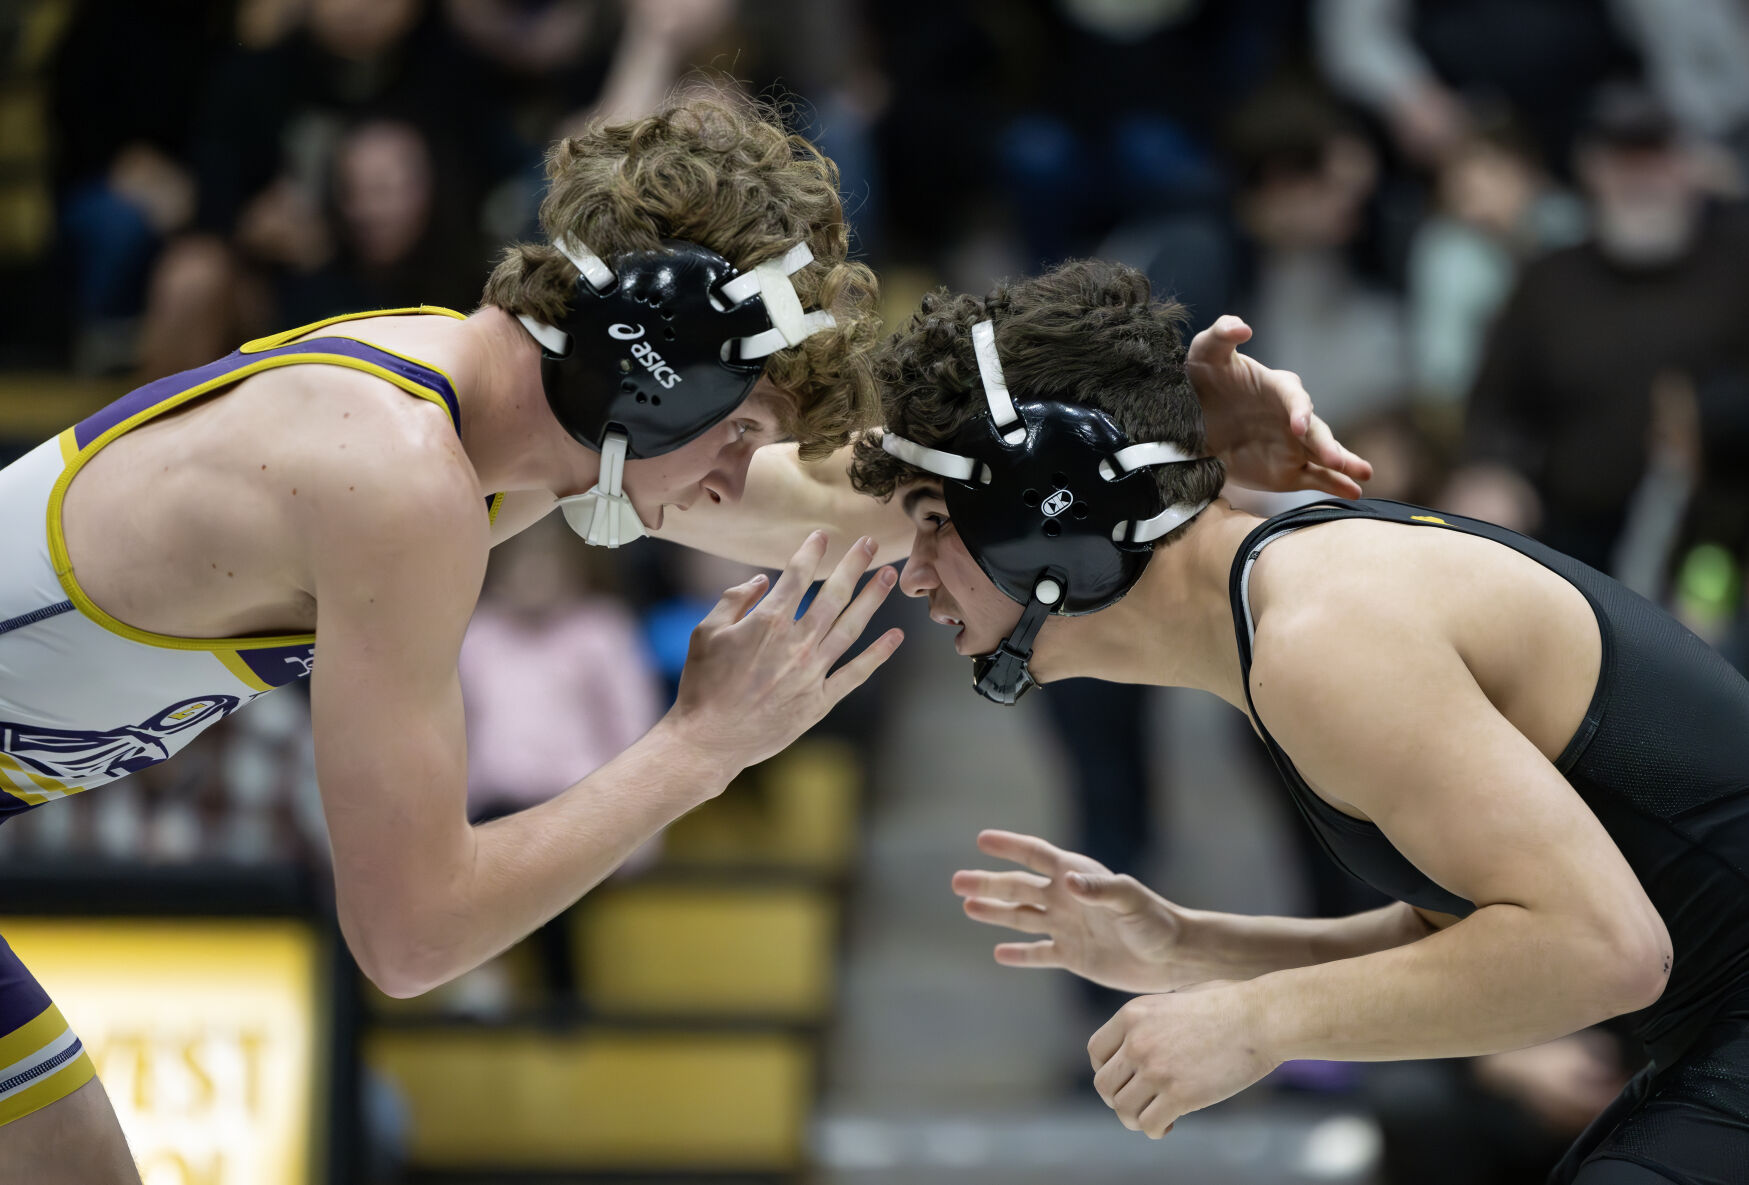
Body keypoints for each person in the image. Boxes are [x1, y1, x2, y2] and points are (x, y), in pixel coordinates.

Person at [0, 89, 1365, 1180]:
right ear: (652, 375)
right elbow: (408, 938)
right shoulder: (396, 481)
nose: (728, 476)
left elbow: (844, 501)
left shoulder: (474, 422)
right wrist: (700, 747)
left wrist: (1171, 462)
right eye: (736, 427)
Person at [855, 258, 1749, 1182]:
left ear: (1054, 510)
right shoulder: (1281, 616)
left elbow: (1602, 949)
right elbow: (1486, 932)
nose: (912, 574)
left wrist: (1260, 1022)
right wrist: (1189, 947)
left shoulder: (1322, 634)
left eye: (933, 520)